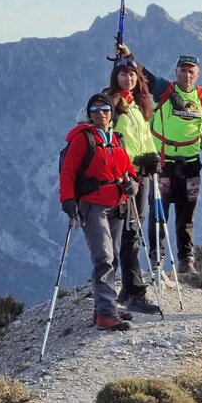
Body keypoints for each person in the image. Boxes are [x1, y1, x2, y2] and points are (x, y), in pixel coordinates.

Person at [116, 43, 202, 278]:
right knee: (159, 213)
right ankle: (156, 260)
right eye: (182, 70)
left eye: (191, 70)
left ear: (198, 74)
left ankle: (186, 260)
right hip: (163, 163)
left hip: (191, 163)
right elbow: (144, 75)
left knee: (187, 214)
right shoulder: (164, 90)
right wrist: (129, 56)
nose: (186, 74)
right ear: (176, 71)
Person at [59, 93, 139, 331]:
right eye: (95, 109)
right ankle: (105, 313)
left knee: (112, 256)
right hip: (92, 206)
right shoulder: (83, 140)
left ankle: (106, 307)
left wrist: (132, 184)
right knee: (104, 257)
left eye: (105, 109)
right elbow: (68, 173)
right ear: (89, 114)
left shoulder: (116, 140)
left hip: (116, 205)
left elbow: (128, 170)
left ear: (111, 113)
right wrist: (68, 201)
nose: (100, 113)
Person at [105, 58, 161, 315]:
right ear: (115, 77)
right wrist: (131, 163)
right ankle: (134, 291)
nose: (129, 79)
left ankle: (129, 288)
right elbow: (111, 141)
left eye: (132, 75)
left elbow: (145, 137)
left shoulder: (140, 104)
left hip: (143, 175)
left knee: (134, 231)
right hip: (124, 178)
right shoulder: (111, 104)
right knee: (130, 231)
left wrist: (153, 157)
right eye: (123, 74)